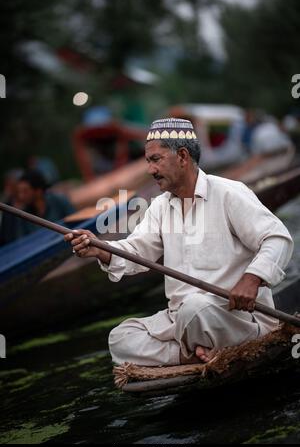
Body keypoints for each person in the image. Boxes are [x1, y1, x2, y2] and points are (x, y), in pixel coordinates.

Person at [64, 118, 294, 366]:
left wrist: (252, 279)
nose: (150, 170)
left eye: (156, 160)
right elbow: (136, 250)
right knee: (120, 338)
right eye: (148, 161)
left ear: (183, 157)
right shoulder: (160, 206)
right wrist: (101, 249)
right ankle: (189, 355)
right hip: (181, 319)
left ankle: (189, 351)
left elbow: (277, 238)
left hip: (234, 317)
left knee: (194, 309)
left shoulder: (229, 193)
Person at [0, 169, 74, 245]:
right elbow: (21, 243)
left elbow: (75, 224)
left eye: (25, 191)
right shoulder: (22, 214)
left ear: (38, 191)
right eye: (20, 192)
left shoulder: (59, 200)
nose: (21, 196)